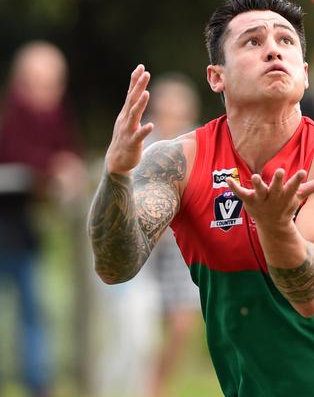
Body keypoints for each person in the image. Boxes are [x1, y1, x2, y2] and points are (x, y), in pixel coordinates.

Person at [88, 0, 314, 396]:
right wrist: (117, 175)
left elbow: (312, 295)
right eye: (253, 41)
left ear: (304, 73)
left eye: (285, 40)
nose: (273, 50)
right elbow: (115, 265)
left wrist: (274, 225)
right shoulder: (178, 162)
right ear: (217, 76)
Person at [0, 41, 85, 397]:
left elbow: (67, 149)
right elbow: (13, 152)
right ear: (20, 82)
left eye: (51, 83)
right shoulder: (12, 110)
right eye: (36, 82)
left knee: (33, 308)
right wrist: (54, 167)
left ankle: (37, 384)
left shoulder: (55, 112)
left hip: (21, 227)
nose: (44, 91)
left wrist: (67, 166)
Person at [144, 74, 202, 397]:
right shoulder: (143, 146)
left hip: (181, 250)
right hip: (146, 252)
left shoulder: (196, 145)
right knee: (146, 329)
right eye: (168, 111)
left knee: (181, 324)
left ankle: (158, 387)